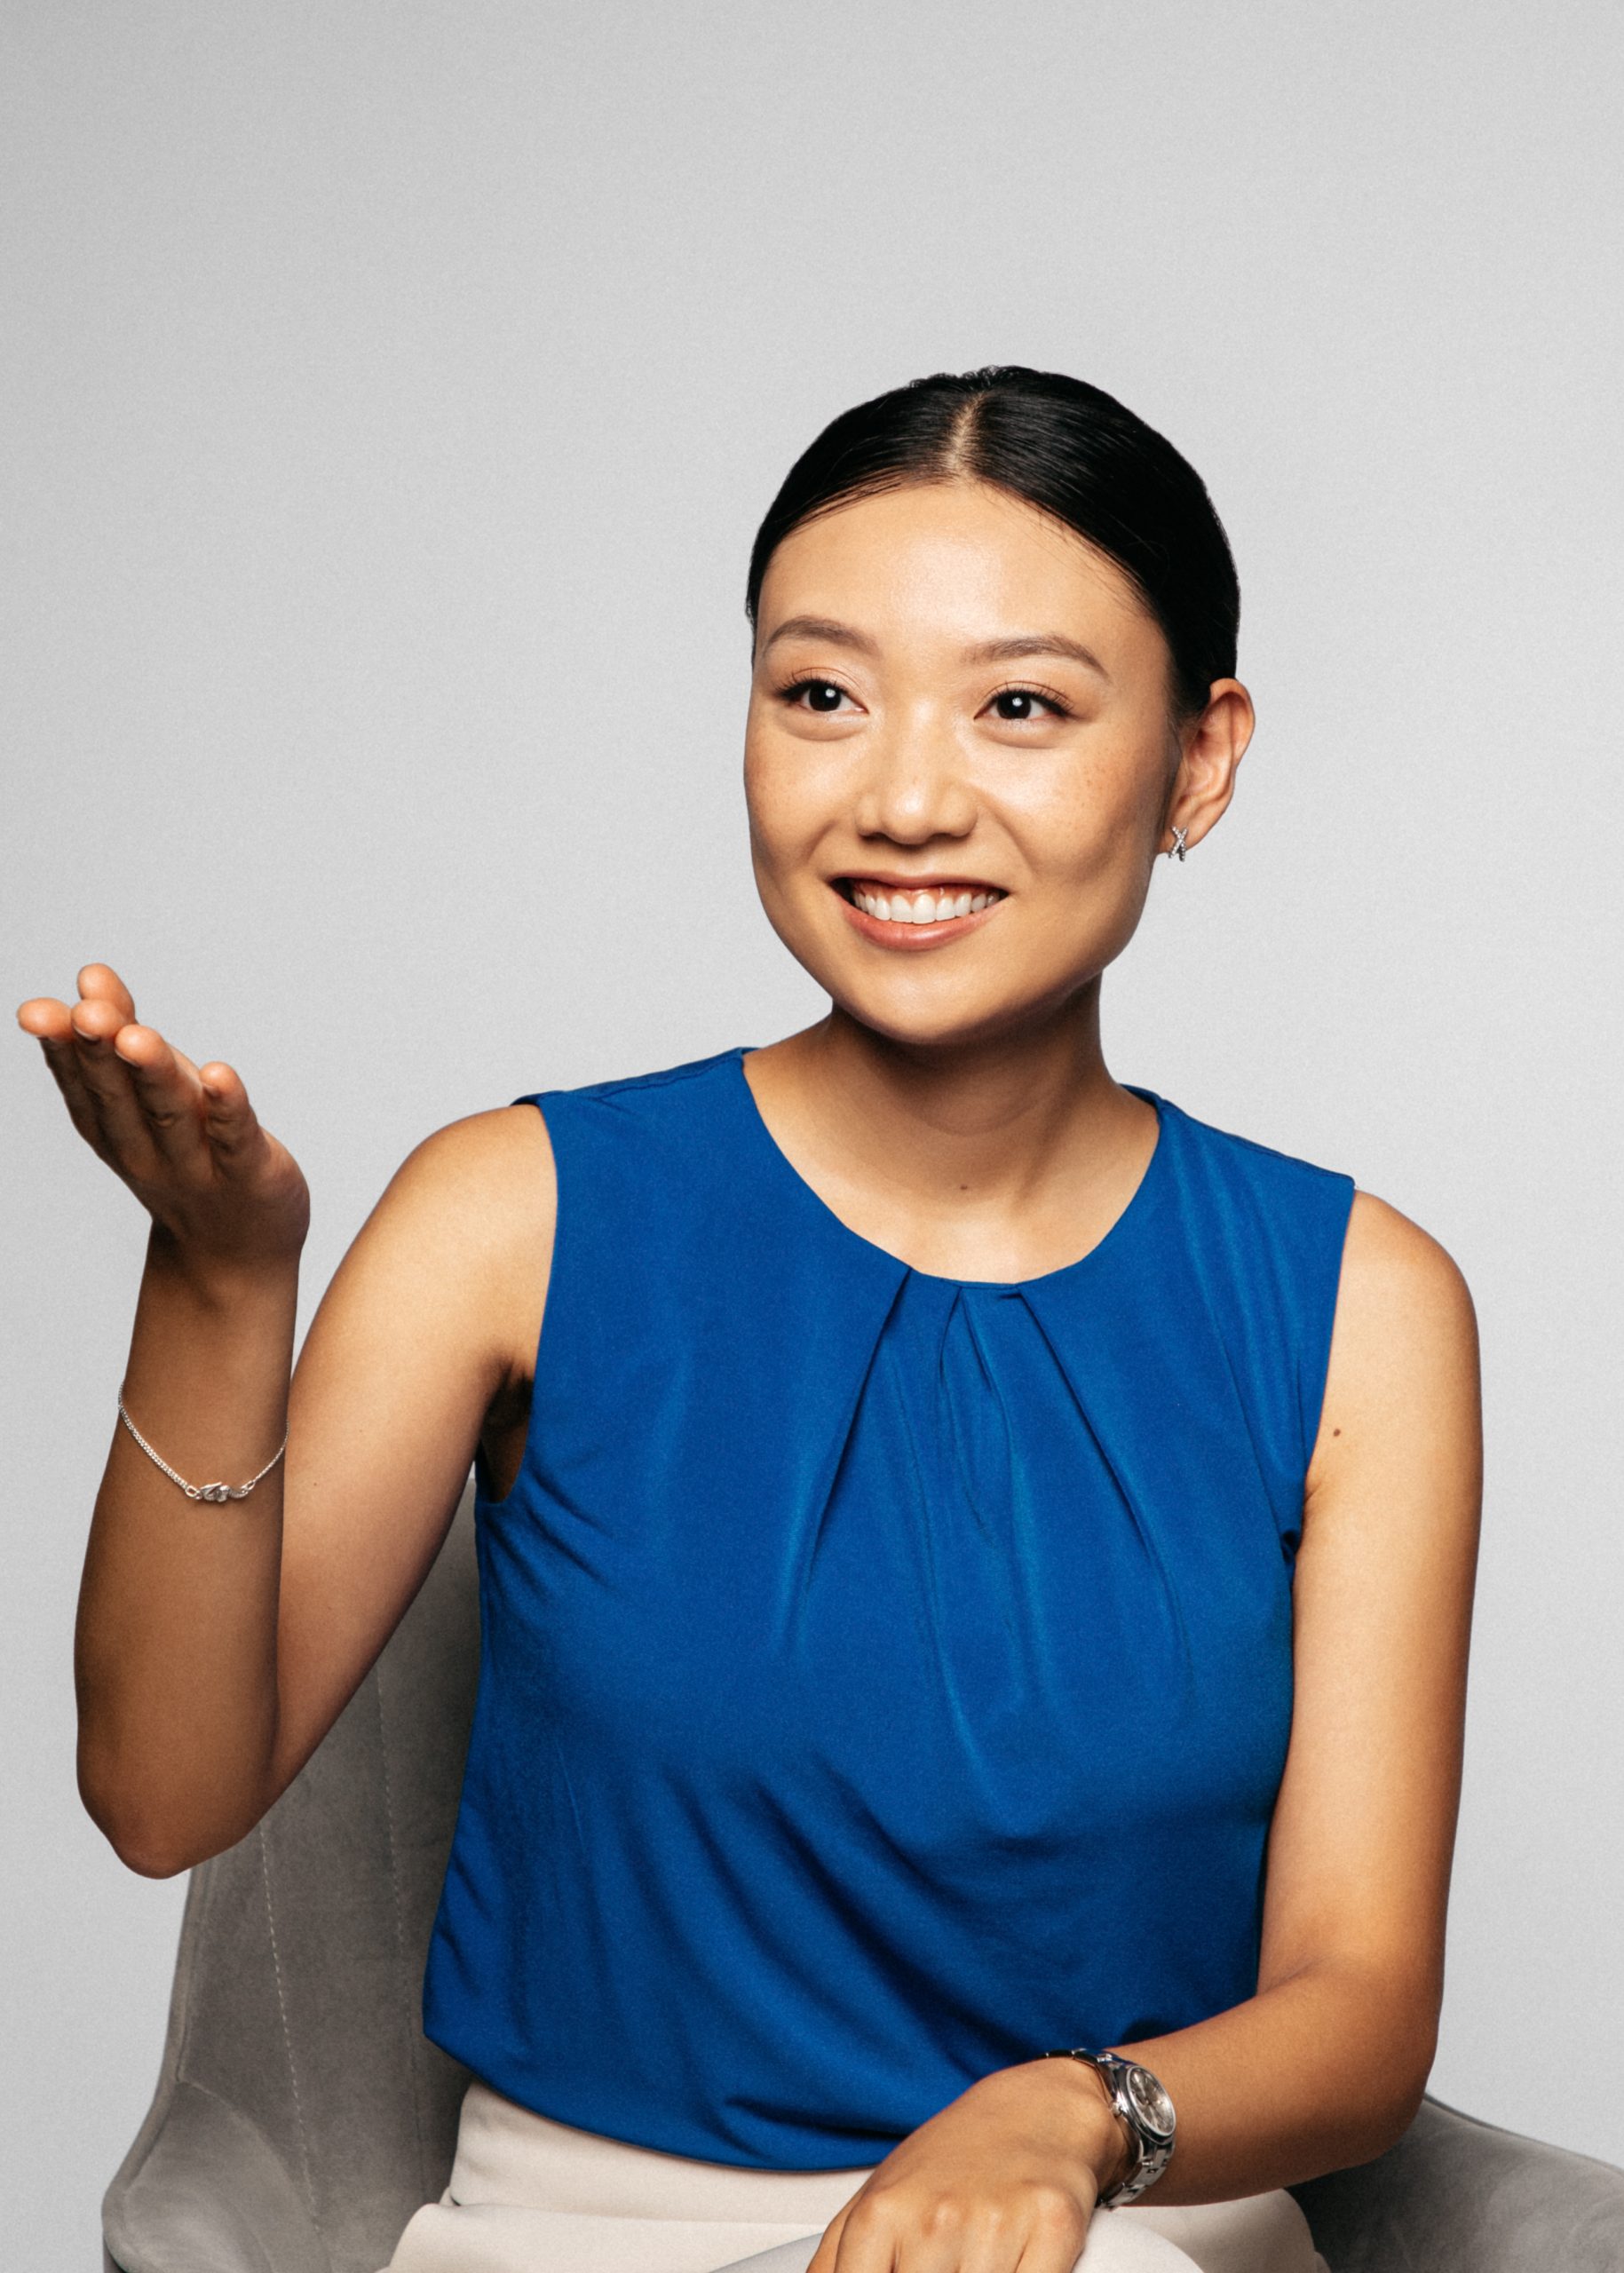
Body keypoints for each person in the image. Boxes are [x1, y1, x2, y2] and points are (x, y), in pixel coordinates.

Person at [19, 368, 1482, 2273]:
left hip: (1114, 2239)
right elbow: (161, 1793)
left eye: (1021, 704)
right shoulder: (515, 1209)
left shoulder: (1360, 1302)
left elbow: (1360, 2009)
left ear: (1199, 760)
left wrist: (1065, 2118)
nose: (902, 795)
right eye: (820, 694)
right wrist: (217, 1282)